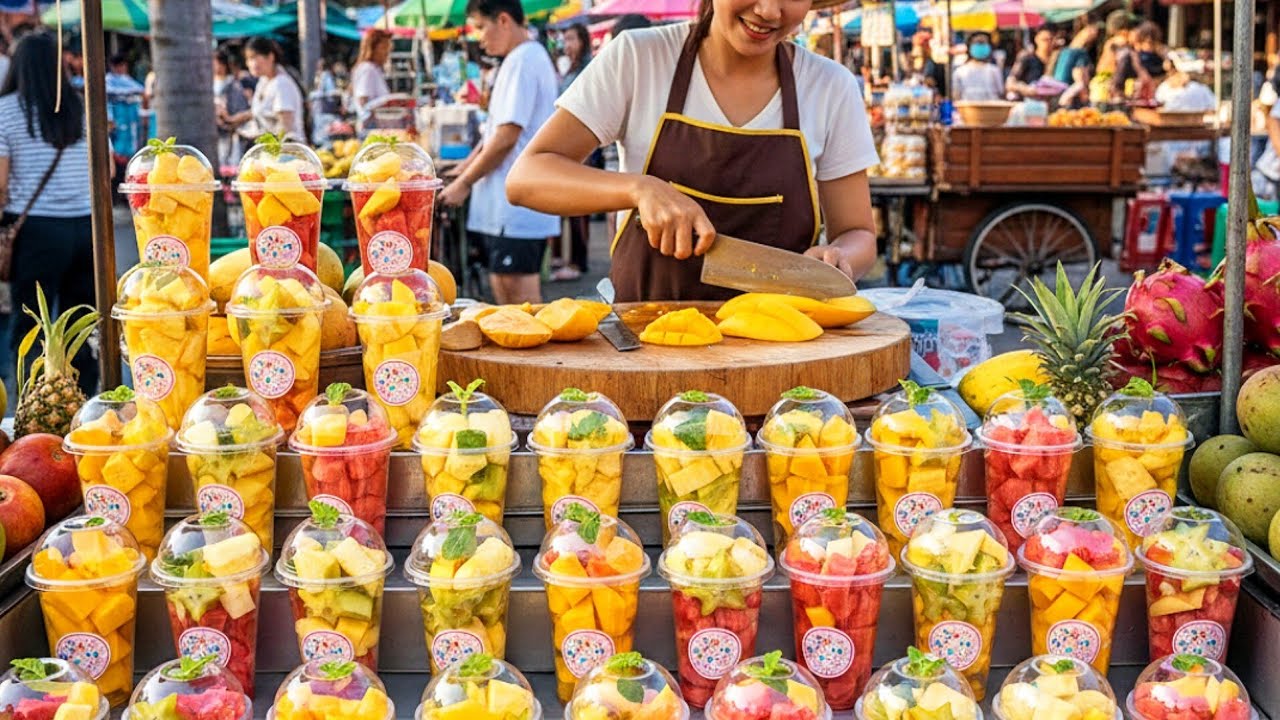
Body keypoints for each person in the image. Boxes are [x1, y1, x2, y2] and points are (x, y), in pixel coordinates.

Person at [506, 0, 879, 301]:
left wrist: (840, 257)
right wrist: (639, 189)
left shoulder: (831, 87)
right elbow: (528, 177)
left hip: (785, 353)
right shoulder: (639, 58)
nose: (768, 10)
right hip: (647, 348)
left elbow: (857, 231)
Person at [439, 0, 560, 305]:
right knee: (505, 291)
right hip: (505, 204)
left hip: (517, 205)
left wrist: (464, 183)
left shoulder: (524, 60)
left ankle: (536, 357)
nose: (478, 37)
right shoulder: (517, 59)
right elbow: (494, 131)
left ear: (504, 20)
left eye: (481, 27)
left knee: (520, 297)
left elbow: (507, 135)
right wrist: (464, 169)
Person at [0, 30, 95, 393]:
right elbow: (107, 170)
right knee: (81, 325)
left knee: (31, 326)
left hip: (36, 231)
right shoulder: (82, 108)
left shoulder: (6, 111)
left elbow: (0, 183)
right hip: (87, 229)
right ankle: (85, 407)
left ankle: (30, 404)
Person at [554, 22, 596, 282]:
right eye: (565, 39)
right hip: (564, 147)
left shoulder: (588, 69)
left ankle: (579, 262)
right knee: (562, 202)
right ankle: (562, 257)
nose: (567, 45)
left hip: (584, 148)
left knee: (580, 206)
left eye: (571, 39)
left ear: (582, 41)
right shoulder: (568, 68)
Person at [239, 37, 306, 141]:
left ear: (270, 57)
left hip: (286, 151)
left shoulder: (281, 84)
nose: (250, 64)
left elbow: (286, 130)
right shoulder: (263, 82)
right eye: (248, 59)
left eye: (254, 57)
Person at [1111, 21, 1166, 102]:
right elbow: (1117, 84)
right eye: (1147, 42)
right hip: (1134, 102)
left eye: (1152, 42)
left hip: (1157, 102)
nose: (1149, 46)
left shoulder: (1161, 59)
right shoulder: (1130, 58)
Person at [214, 49, 251, 166]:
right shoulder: (208, 83)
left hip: (232, 130)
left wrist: (230, 118)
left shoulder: (234, 84)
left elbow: (239, 107)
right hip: (216, 131)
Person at [350, 29, 392, 117]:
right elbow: (363, 102)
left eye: (389, 48)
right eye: (384, 47)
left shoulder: (374, 69)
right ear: (372, 49)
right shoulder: (367, 69)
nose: (387, 52)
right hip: (372, 127)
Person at [952, 32, 1005, 102]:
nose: (981, 46)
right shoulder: (959, 72)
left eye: (983, 43)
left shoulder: (994, 70)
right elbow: (956, 96)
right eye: (978, 43)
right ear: (970, 47)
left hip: (991, 111)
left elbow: (1001, 93)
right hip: (967, 111)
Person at [1006, 27, 1053, 99]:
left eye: (1051, 40)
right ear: (1036, 40)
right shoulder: (1027, 58)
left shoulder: (1056, 59)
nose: (1048, 43)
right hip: (1029, 99)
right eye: (1045, 40)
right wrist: (1025, 88)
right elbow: (1010, 83)